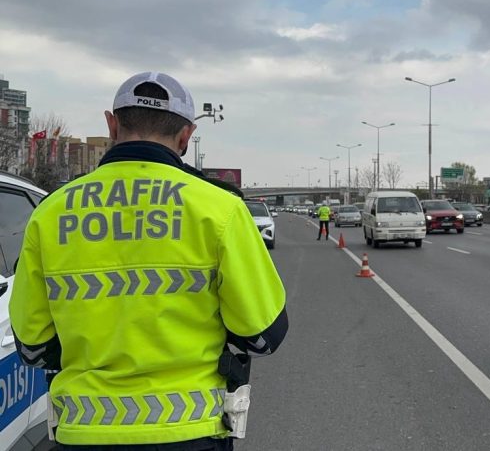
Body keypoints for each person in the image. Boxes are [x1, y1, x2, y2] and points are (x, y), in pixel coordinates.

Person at [9, 72, 288, 450]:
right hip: (190, 431)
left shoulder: (51, 211)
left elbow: (32, 344)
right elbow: (264, 335)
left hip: (84, 430)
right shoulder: (220, 208)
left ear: (112, 124)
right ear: (186, 136)